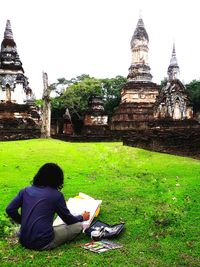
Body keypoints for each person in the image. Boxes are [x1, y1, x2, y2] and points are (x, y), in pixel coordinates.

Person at [6, 163, 90, 250]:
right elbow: (69, 220)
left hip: (23, 239)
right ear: (58, 179)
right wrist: (82, 217)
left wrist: (23, 222)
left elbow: (10, 209)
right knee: (78, 225)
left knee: (58, 226)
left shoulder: (25, 190)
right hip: (43, 242)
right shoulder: (56, 195)